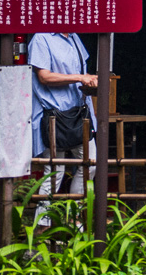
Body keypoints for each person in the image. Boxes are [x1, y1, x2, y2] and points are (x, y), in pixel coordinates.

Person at [28, 31, 97, 219]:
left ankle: (71, 216)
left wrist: (88, 79)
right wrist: (79, 77)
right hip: (54, 115)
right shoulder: (41, 38)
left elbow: (81, 72)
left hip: (78, 113)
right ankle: (41, 227)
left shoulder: (74, 36)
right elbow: (44, 77)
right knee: (54, 171)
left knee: (91, 164)